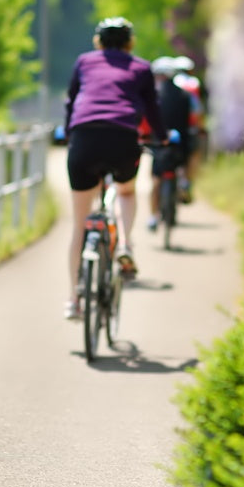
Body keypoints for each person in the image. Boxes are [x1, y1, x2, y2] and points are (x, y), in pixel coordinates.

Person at [63, 17, 166, 320]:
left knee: (79, 224)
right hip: (123, 138)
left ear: (99, 41)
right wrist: (163, 138)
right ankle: (124, 243)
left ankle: (73, 300)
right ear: (129, 42)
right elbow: (152, 109)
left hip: (84, 139)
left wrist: (68, 132)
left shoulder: (84, 61)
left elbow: (72, 101)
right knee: (126, 190)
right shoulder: (142, 67)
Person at [143, 57, 193, 231]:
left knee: (156, 181)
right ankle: (185, 182)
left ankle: (152, 216)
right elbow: (193, 119)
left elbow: (145, 120)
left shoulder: (154, 96)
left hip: (159, 143)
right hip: (181, 143)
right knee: (187, 160)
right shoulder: (185, 95)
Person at [170, 55, 206, 202]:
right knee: (193, 153)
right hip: (189, 126)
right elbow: (197, 109)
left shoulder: (170, 83)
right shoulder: (193, 84)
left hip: (169, 126)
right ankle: (186, 182)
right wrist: (201, 127)